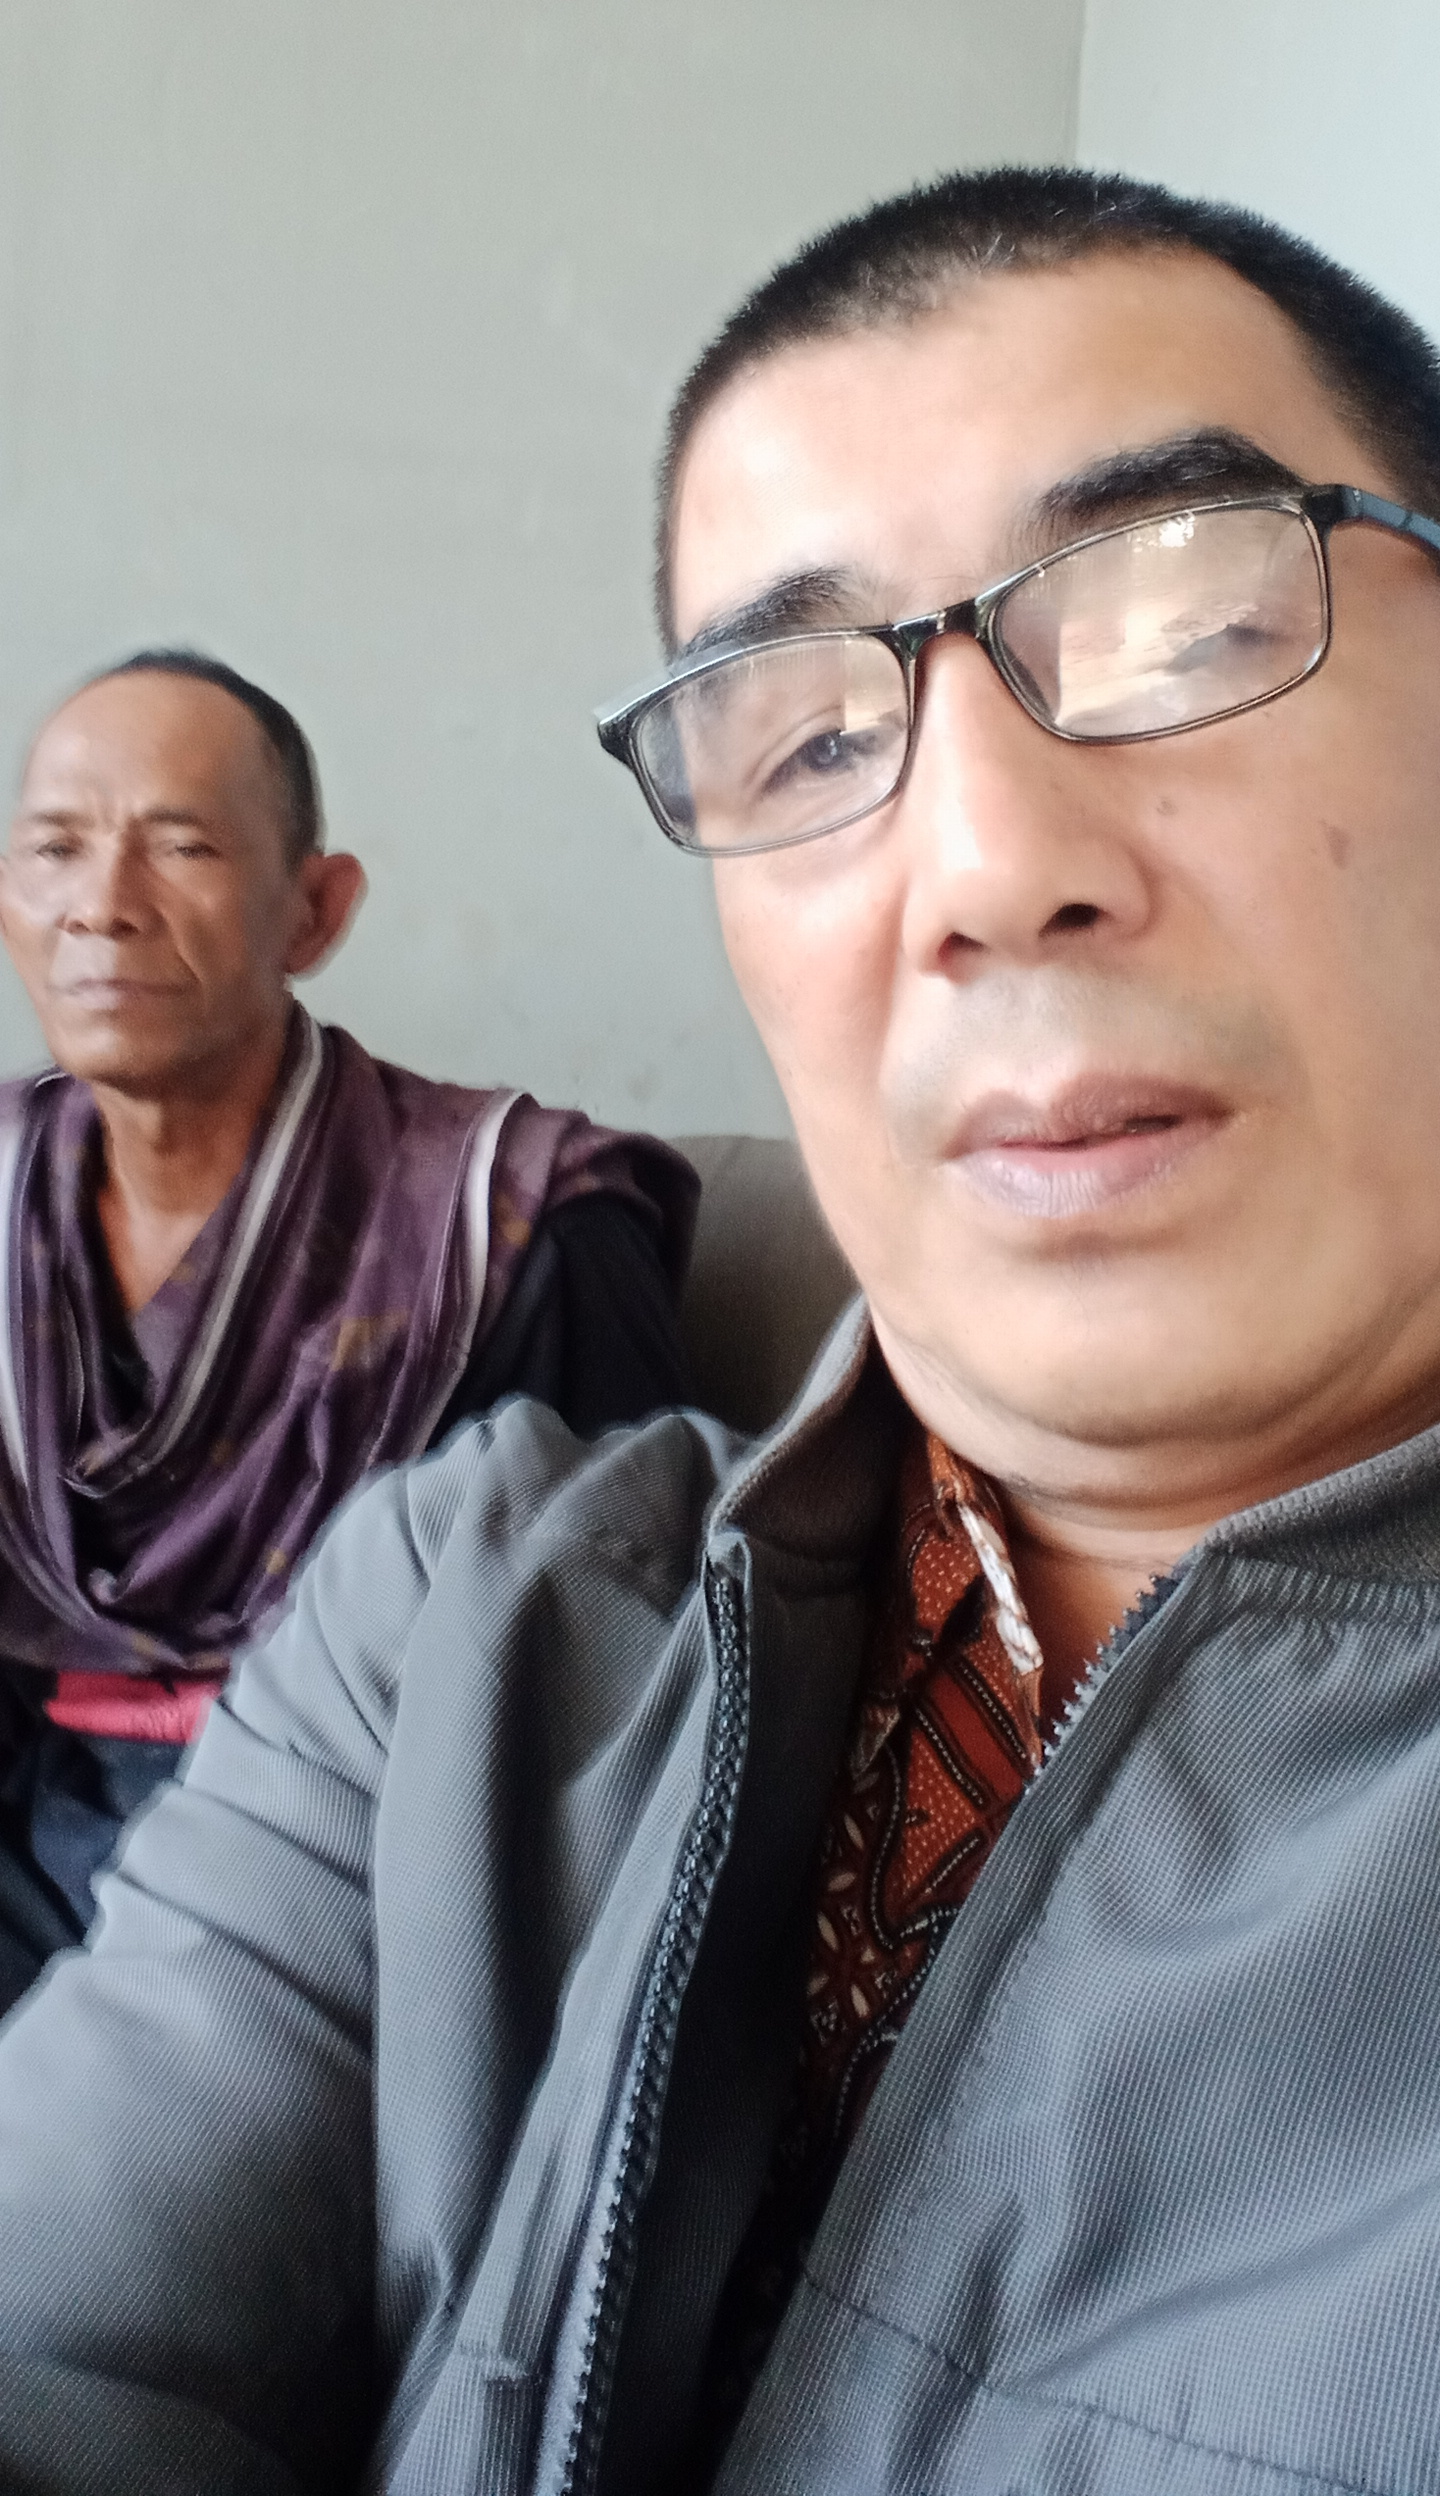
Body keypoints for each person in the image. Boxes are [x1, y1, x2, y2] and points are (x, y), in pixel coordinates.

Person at [2, 169, 1440, 2496]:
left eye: (1187, 623)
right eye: (800, 738)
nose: (988, 866)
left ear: (315, 902)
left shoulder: (506, 1218)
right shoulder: (474, 1632)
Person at [0, 649, 695, 2008]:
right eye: (56, 850)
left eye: (182, 846)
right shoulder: (8, 1195)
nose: (104, 907)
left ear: (314, 912)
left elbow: (607, 1705)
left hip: (340, 1878)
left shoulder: (507, 1232)